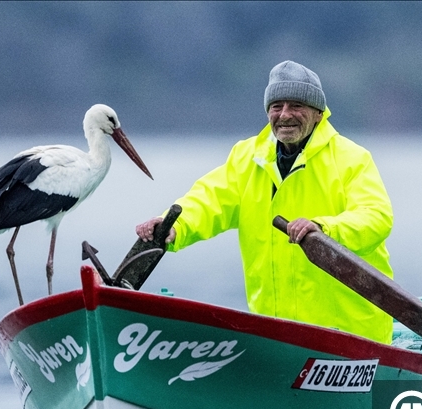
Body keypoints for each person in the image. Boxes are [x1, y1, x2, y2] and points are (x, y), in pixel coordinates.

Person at [136, 60, 395, 343]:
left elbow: (376, 217)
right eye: (276, 106)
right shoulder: (246, 157)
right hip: (277, 338)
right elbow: (208, 200)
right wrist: (174, 227)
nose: (285, 115)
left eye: (296, 105)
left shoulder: (352, 159)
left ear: (319, 113)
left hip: (354, 337)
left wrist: (325, 228)